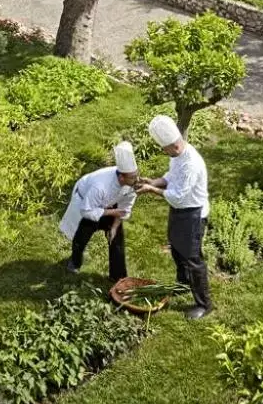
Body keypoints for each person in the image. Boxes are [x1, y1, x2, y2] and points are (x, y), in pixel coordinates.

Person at [137, 114, 212, 320]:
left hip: (193, 213)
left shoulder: (191, 163)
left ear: (175, 146)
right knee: (177, 247)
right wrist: (155, 181)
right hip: (182, 210)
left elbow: (178, 197)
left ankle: (204, 304)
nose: (164, 152)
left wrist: (152, 190)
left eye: (165, 149)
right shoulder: (178, 156)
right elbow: (171, 177)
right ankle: (184, 282)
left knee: (193, 258)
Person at [60, 142, 139, 283]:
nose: (136, 180)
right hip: (88, 203)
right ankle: (75, 262)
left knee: (117, 239)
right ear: (121, 177)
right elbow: (86, 211)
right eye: (132, 177)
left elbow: (125, 207)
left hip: (110, 206)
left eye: (136, 175)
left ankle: (118, 276)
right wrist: (112, 212)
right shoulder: (100, 186)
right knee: (80, 238)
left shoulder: (131, 184)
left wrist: (114, 227)